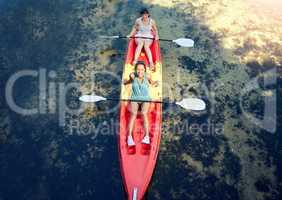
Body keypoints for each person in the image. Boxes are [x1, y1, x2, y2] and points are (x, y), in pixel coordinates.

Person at [123, 61, 158, 146]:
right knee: (133, 114)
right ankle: (129, 137)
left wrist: (157, 83)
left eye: (142, 69)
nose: (140, 71)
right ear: (135, 70)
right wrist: (126, 81)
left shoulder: (148, 76)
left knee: (144, 113)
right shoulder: (132, 75)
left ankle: (146, 137)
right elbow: (126, 83)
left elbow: (152, 83)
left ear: (145, 70)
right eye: (138, 69)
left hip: (145, 99)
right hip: (135, 98)